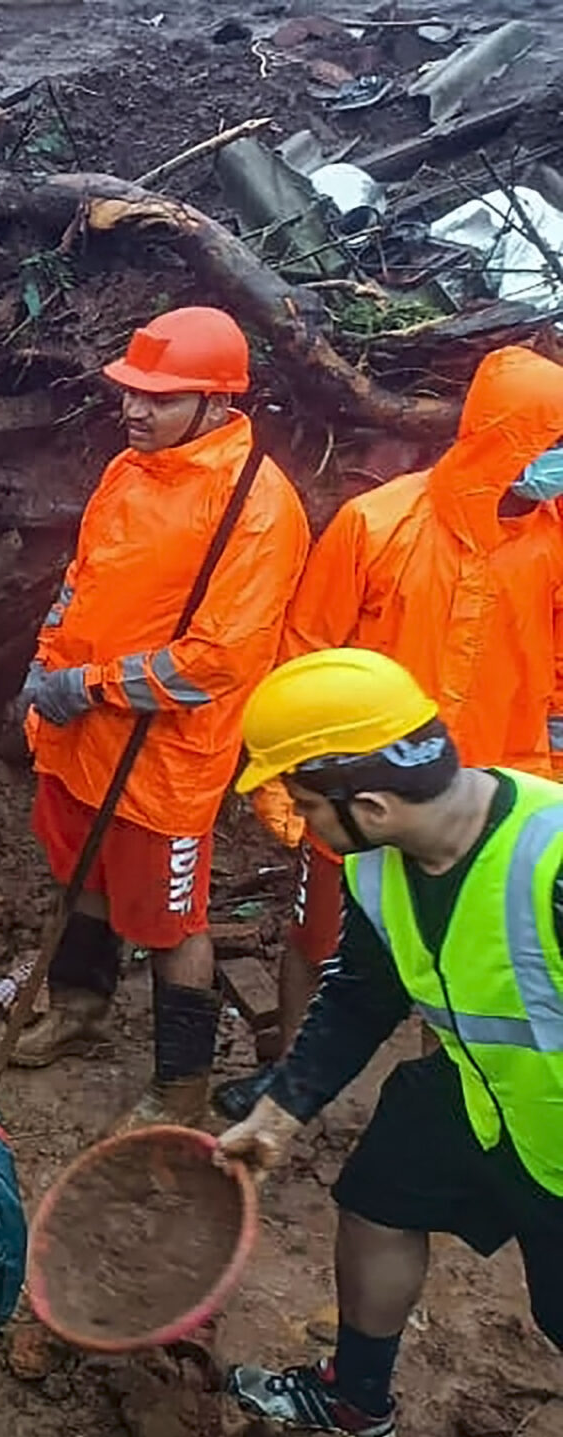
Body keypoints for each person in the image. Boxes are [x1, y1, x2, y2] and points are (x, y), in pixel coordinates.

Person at [220, 647, 563, 1437]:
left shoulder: (549, 859)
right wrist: (280, 1112)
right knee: (378, 1199)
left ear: (369, 804)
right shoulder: (380, 864)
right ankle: (355, 1398)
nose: (301, 822)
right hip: (479, 1096)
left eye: (305, 805)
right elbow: (364, 994)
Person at [218, 346, 563, 1121]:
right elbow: (306, 650)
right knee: (320, 941)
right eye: (553, 445)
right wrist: (284, 779)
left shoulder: (554, 542)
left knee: (478, 959)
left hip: (495, 800)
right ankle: (289, 1081)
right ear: (510, 443)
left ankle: (448, 1105)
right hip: (356, 787)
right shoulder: (376, 525)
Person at [9, 306, 309, 1130]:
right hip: (79, 735)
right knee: (82, 877)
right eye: (131, 392)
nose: (134, 410)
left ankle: (180, 1084)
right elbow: (82, 579)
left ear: (216, 403)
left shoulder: (257, 508)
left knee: (172, 924)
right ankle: (80, 1006)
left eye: (159, 397)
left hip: (163, 756)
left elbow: (218, 658)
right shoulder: (131, 469)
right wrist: (46, 660)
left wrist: (94, 686)